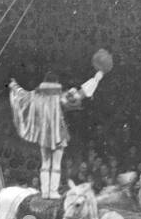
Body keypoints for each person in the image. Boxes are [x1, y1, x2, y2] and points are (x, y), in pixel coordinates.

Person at [9, 51, 111, 198]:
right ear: (57, 83)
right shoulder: (61, 97)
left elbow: (22, 95)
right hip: (58, 133)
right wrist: (98, 77)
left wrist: (14, 85)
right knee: (56, 163)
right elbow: (83, 92)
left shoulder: (37, 97)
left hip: (44, 134)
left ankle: (45, 192)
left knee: (45, 163)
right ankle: (53, 191)